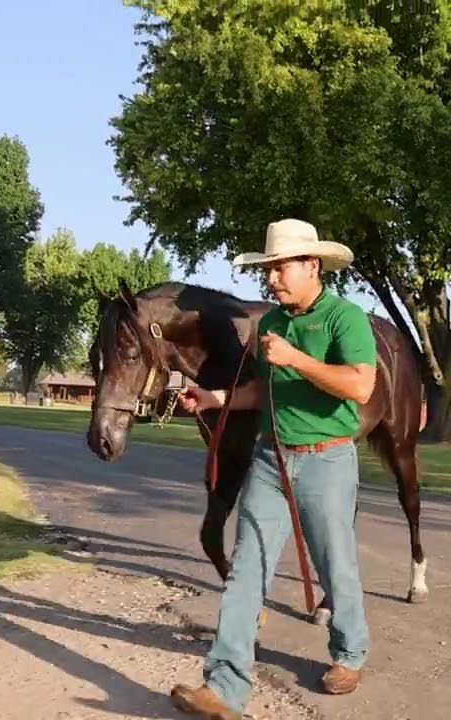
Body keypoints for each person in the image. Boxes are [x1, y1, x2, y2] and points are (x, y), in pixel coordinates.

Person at [170, 218, 378, 720]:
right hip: (271, 459)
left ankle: (350, 654)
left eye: (281, 267)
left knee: (335, 563)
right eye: (268, 268)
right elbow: (262, 391)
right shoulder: (272, 325)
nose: (271, 278)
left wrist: (296, 359)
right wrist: (214, 398)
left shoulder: (345, 318)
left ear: (312, 265)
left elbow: (360, 386)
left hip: (327, 458)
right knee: (247, 567)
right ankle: (224, 688)